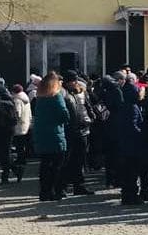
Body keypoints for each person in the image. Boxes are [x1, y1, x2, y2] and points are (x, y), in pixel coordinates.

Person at [33, 72, 70, 201]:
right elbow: (64, 115)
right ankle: (53, 191)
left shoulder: (39, 98)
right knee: (56, 165)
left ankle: (44, 191)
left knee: (44, 165)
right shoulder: (56, 96)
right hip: (55, 135)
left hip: (41, 135)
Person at [111, 74, 142, 205]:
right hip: (132, 144)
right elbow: (133, 126)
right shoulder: (133, 108)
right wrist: (142, 134)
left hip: (124, 143)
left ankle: (128, 195)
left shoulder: (124, 105)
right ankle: (131, 196)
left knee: (127, 171)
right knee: (132, 172)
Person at [62, 75, 95, 196]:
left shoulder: (81, 93)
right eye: (73, 80)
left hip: (83, 129)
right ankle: (63, 186)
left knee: (80, 160)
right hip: (70, 130)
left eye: (76, 80)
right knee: (67, 160)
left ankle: (79, 185)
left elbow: (87, 107)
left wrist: (91, 117)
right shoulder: (64, 94)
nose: (75, 82)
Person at [10, 84, 32, 180]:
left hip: (19, 126)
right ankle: (23, 159)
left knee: (19, 145)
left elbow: (17, 113)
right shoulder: (26, 98)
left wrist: (13, 120)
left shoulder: (17, 100)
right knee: (22, 144)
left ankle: (20, 160)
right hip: (25, 124)